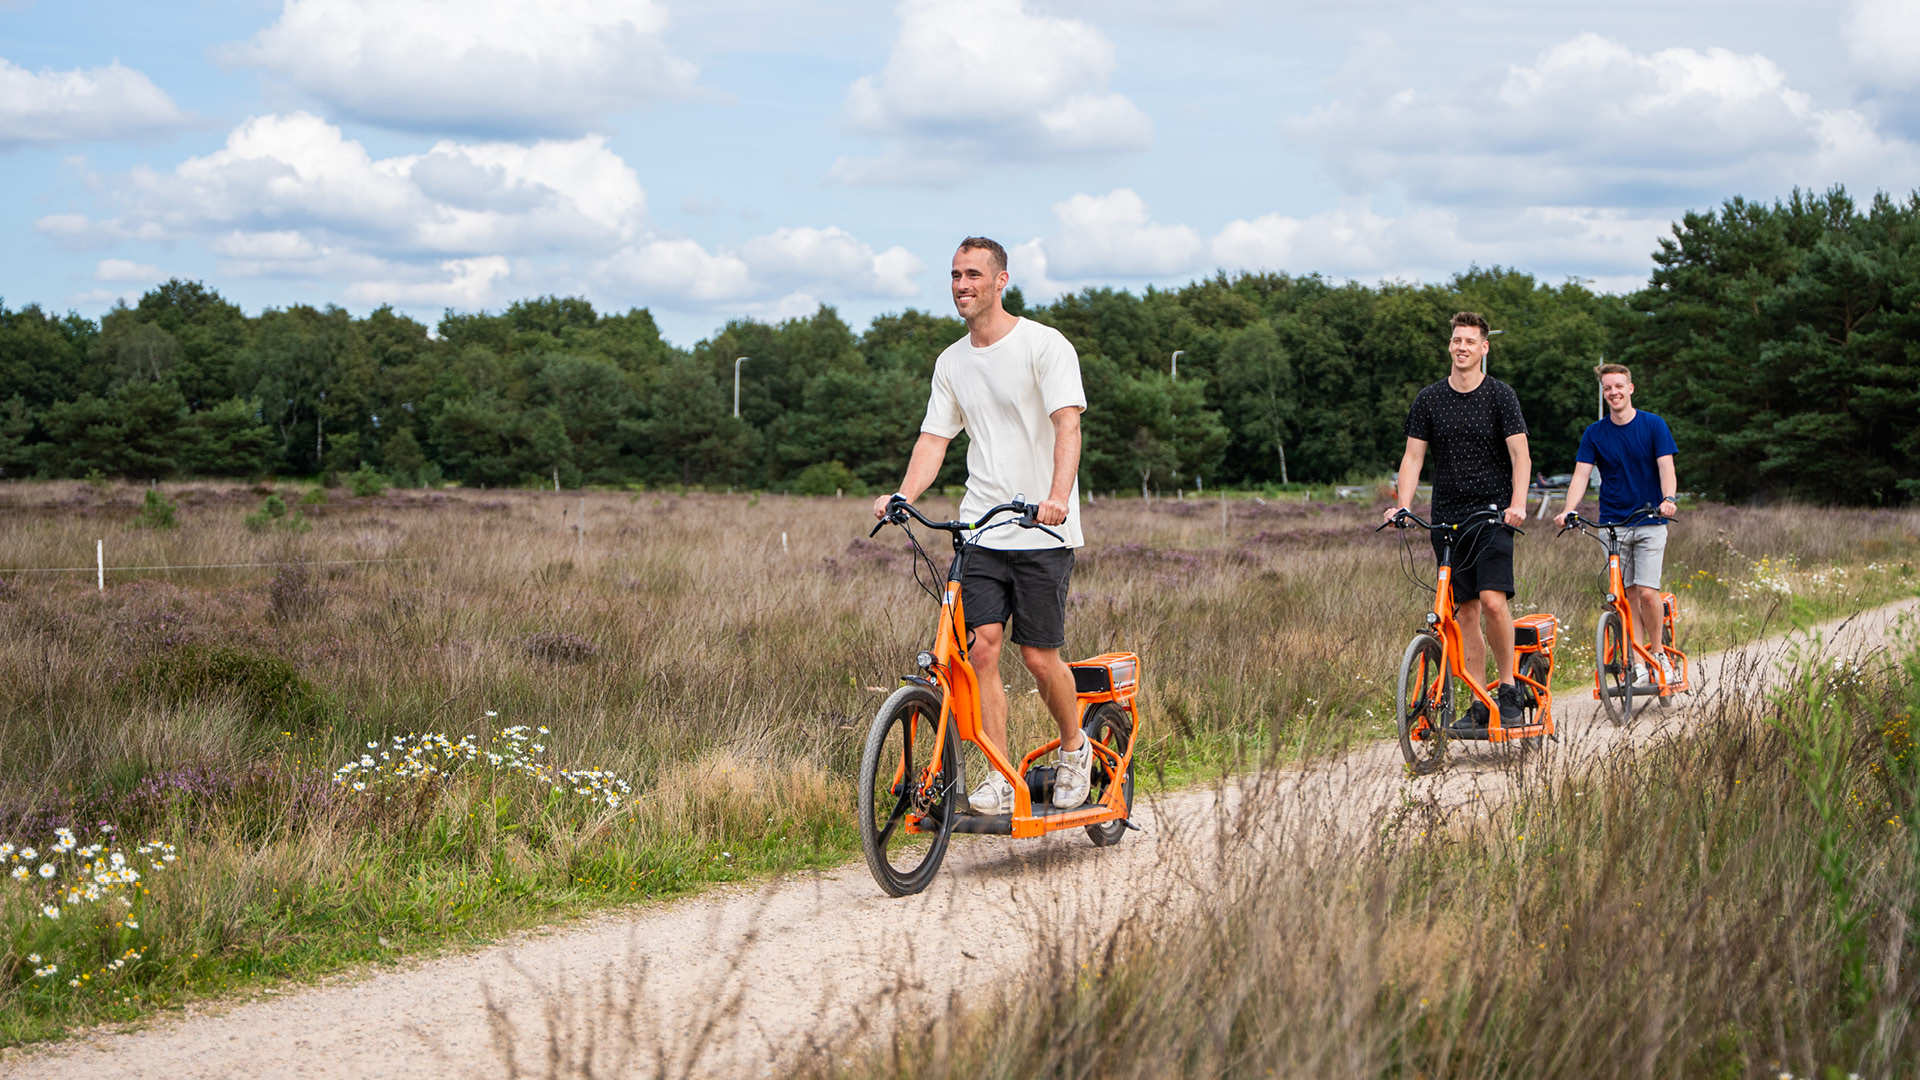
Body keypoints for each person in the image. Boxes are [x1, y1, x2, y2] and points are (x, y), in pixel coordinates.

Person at [872, 236, 1090, 814]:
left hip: (1042, 530)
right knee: (981, 653)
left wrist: (1056, 497)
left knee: (1040, 657)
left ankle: (1074, 748)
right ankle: (996, 772)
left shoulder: (1045, 345)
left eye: (973, 274)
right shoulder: (951, 362)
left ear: (1001, 281)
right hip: (981, 532)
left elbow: (1068, 426)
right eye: (953, 275)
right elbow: (934, 438)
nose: (961, 285)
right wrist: (903, 493)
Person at [1383, 311, 1532, 727]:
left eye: (1470, 341)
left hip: (1492, 514)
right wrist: (1403, 504)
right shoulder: (1429, 398)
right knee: (1463, 613)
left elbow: (1521, 455)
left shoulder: (1500, 395)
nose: (1461, 346)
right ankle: (1479, 701)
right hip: (1447, 518)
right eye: (1456, 340)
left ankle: (1507, 690)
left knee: (1491, 602)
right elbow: (1413, 457)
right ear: (1449, 345)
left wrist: (1517, 503)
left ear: (1484, 348)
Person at [1554, 363, 1679, 681]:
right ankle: (1637, 663)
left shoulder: (1653, 425)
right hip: (1613, 525)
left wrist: (1669, 498)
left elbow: (1666, 467)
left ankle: (1659, 653)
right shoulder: (1595, 433)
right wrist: (1569, 509)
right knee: (1627, 597)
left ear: (1631, 388)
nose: (1613, 392)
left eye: (1619, 386)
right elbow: (1581, 475)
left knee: (1648, 592)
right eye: (1608, 388)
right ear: (1603, 392)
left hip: (1650, 521)